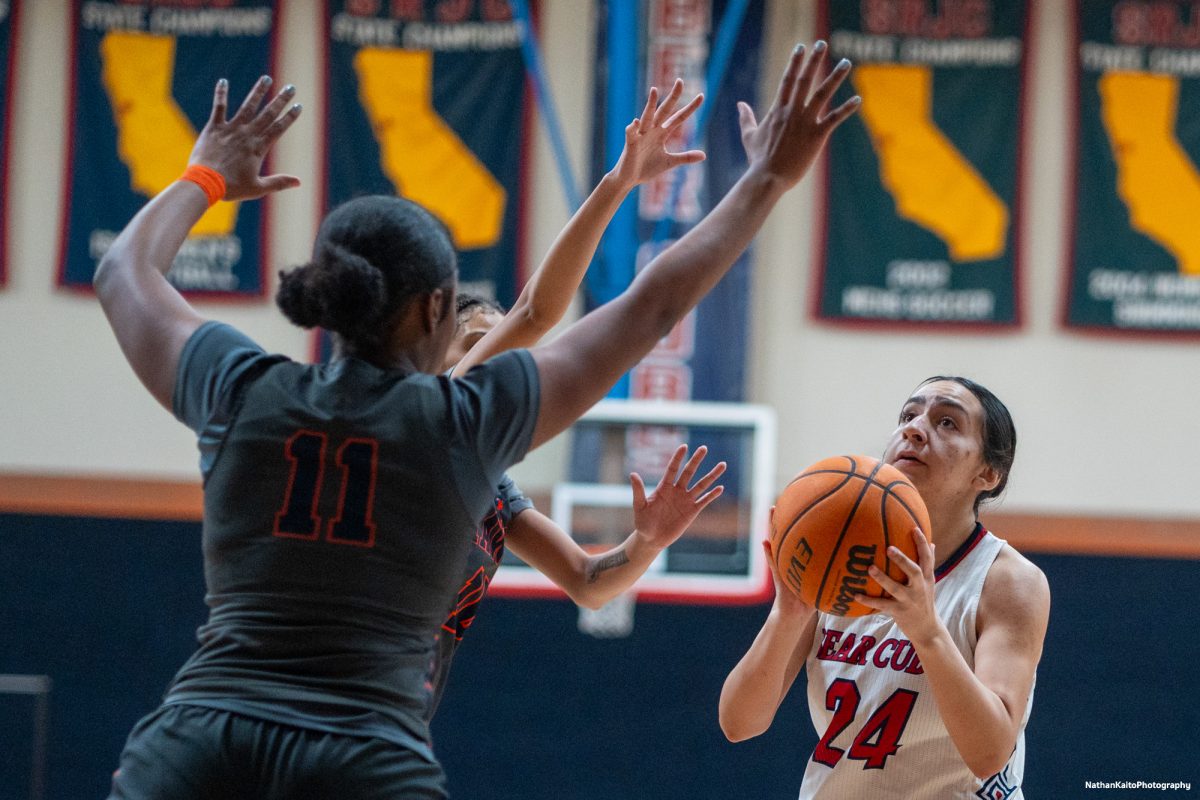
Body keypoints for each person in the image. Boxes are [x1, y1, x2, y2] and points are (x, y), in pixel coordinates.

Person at [98, 40, 859, 799]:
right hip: (360, 751)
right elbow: (648, 307)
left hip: (201, 736)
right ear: (436, 309)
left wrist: (205, 175)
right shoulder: (460, 423)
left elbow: (123, 270)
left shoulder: (240, 385)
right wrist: (765, 179)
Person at [430, 81, 722, 718]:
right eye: (481, 342)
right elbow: (536, 312)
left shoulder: (490, 486)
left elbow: (590, 584)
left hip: (388, 719)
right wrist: (617, 184)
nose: (504, 360)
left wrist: (646, 542)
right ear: (431, 359)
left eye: (508, 350)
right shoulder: (429, 419)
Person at [719, 377, 1050, 799]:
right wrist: (790, 614)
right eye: (908, 416)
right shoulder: (839, 558)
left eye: (947, 422)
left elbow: (989, 754)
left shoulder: (1006, 580)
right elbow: (739, 724)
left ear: (988, 473)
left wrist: (927, 633)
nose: (913, 429)